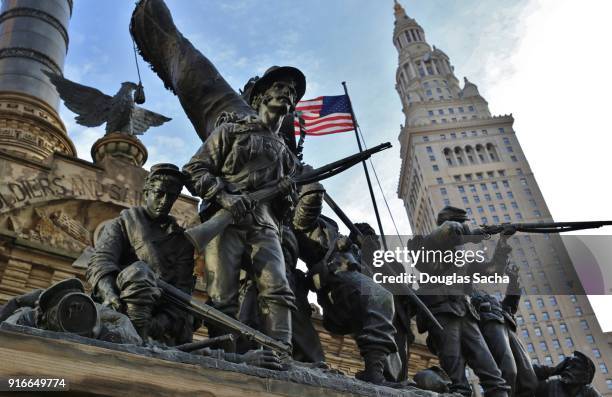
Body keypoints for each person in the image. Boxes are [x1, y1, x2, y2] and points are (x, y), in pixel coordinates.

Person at [291, 182, 398, 385]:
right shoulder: (301, 220)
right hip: (334, 278)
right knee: (380, 297)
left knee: (381, 313)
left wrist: (362, 241)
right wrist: (312, 187)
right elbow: (305, 215)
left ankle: (380, 373)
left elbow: (368, 262)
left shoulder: (333, 232)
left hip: (349, 278)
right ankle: (376, 372)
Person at [86, 163, 197, 346]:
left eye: (171, 197)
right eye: (159, 194)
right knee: (139, 271)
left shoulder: (182, 242)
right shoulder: (122, 223)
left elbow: (182, 291)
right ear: (147, 193)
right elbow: (101, 262)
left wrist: (158, 324)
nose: (164, 201)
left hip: (162, 316)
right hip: (121, 302)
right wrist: (110, 295)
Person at [409, 206, 511, 397]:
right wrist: (472, 234)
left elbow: (493, 271)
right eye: (463, 223)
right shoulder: (428, 244)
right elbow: (450, 230)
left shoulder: (463, 259)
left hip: (465, 313)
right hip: (442, 312)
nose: (465, 226)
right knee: (456, 374)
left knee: (492, 373)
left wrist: (503, 241)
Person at [534, 351, 602, 397]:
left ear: (585, 377)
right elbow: (528, 377)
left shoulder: (589, 392)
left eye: (574, 366)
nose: (568, 368)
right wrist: (552, 370)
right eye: (567, 365)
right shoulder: (550, 385)